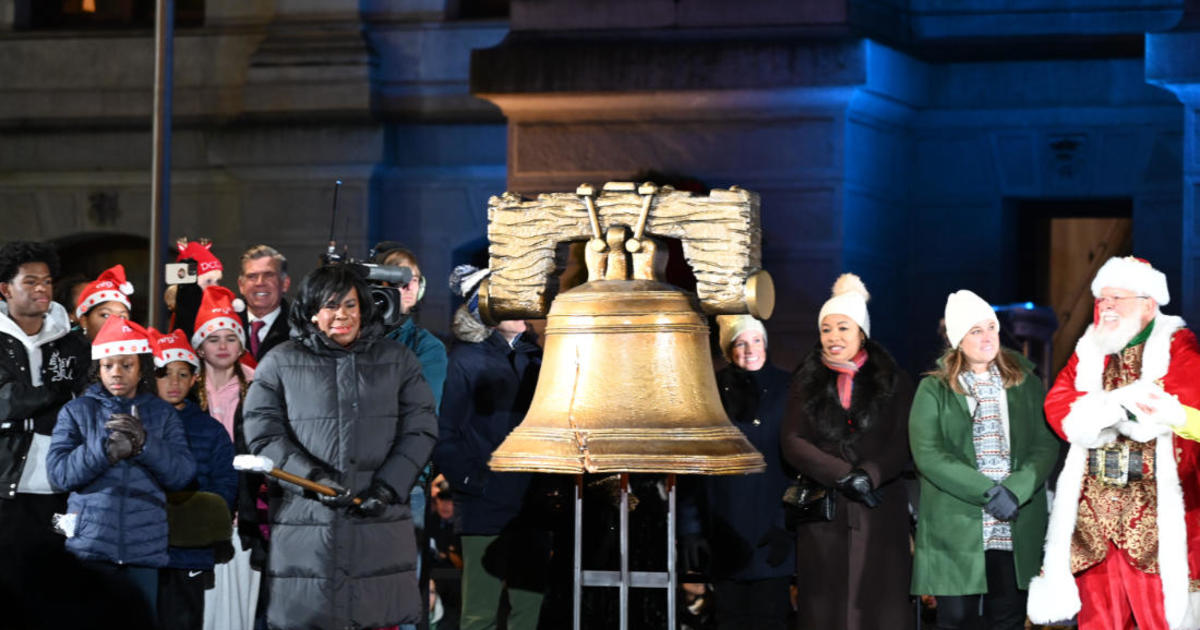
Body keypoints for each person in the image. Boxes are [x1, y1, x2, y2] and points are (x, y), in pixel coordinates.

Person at [243, 264, 439, 629]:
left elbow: (421, 427)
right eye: (330, 305)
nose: (341, 315)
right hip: (309, 523)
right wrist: (312, 478)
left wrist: (389, 485)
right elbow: (264, 434)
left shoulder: (398, 361)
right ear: (312, 311)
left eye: (350, 304)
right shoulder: (281, 362)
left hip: (379, 520)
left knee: (377, 617)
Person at [1028, 256, 1200, 630]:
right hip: (1093, 516)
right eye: (1101, 299)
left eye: (1116, 299)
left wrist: (1117, 408)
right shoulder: (1088, 349)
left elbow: (1182, 401)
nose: (1105, 307)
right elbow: (1058, 404)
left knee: (1162, 618)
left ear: (1148, 304)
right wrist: (1115, 405)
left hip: (1152, 516)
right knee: (1098, 620)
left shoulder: (1177, 346)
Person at [909, 290, 1060, 630]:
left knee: (1007, 616)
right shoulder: (934, 390)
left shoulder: (1027, 383)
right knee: (957, 619)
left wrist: (1015, 491)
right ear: (957, 339)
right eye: (976, 330)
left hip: (1014, 519)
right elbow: (928, 453)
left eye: (990, 327)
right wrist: (988, 492)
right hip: (957, 521)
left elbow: (1045, 444)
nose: (988, 336)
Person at [779, 273, 915, 630]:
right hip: (826, 512)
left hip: (880, 509)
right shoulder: (806, 380)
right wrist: (842, 474)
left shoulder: (895, 380)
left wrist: (869, 475)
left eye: (843, 327)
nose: (834, 337)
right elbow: (793, 440)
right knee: (826, 605)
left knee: (879, 604)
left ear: (861, 332)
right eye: (826, 329)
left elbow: (903, 442)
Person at [46, 316, 197, 616]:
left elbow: (183, 474)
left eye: (126, 365)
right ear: (97, 368)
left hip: (144, 550)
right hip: (91, 548)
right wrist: (105, 450)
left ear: (141, 368)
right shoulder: (77, 411)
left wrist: (145, 446)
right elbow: (59, 474)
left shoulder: (163, 415)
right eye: (108, 365)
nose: (116, 373)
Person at [433, 264, 546, 630]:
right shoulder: (464, 360)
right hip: (485, 505)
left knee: (528, 613)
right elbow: (444, 432)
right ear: (485, 308)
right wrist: (475, 481)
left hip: (533, 503)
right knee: (480, 613)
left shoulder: (537, 358)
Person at [678, 315, 794, 629]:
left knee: (770, 619)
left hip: (773, 531)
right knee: (729, 620)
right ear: (728, 350)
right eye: (740, 342)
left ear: (766, 344)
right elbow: (694, 467)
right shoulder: (709, 390)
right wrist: (690, 530)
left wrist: (788, 524)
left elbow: (798, 463)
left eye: (756, 340)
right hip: (724, 533)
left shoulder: (789, 388)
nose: (749, 349)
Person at [0, 241, 90, 552]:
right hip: (6, 485)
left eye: (47, 281)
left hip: (61, 486)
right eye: (30, 281)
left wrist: (35, 406)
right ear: (5, 289)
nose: (42, 288)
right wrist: (59, 394)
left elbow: (86, 405)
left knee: (53, 589)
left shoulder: (73, 344)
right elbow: (6, 401)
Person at [376, 242, 448, 630]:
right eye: (396, 278)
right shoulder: (354, 340)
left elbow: (420, 416)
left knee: (403, 594)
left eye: (412, 279)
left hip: (406, 486)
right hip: (352, 481)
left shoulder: (428, 348)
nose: (405, 286)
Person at [149, 327, 238, 630]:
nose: (174, 382)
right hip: (144, 550)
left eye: (183, 374)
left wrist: (201, 517)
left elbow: (225, 482)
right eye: (164, 373)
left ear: (195, 378)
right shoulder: (138, 420)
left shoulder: (210, 429)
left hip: (190, 552)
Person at [188, 285, 264, 630]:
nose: (222, 346)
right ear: (199, 347)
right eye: (213, 338)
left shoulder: (260, 385)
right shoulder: (185, 388)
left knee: (241, 602)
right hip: (198, 507)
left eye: (230, 338)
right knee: (202, 603)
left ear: (241, 345)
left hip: (245, 511)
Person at [237, 245, 291, 363]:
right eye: (252, 276)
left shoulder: (300, 330)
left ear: (285, 284)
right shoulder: (224, 327)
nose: (260, 283)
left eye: (269, 275)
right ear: (241, 285)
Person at [74, 264, 133, 341]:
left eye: (122, 317)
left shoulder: (138, 350)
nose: (115, 322)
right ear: (84, 321)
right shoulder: (64, 350)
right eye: (105, 315)